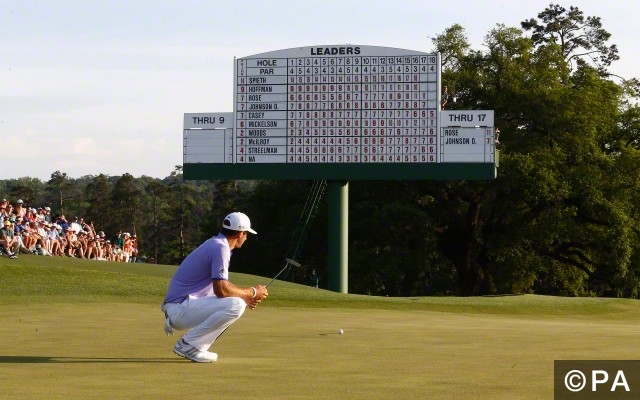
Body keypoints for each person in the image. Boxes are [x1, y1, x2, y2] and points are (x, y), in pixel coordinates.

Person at [161, 212, 268, 363]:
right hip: (180, 309)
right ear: (240, 233)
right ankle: (189, 345)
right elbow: (222, 290)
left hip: (181, 307)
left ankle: (194, 346)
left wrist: (245, 296)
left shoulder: (216, 243)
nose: (246, 237)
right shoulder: (221, 248)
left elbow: (221, 287)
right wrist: (253, 292)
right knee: (236, 304)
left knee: (238, 302)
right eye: (246, 233)